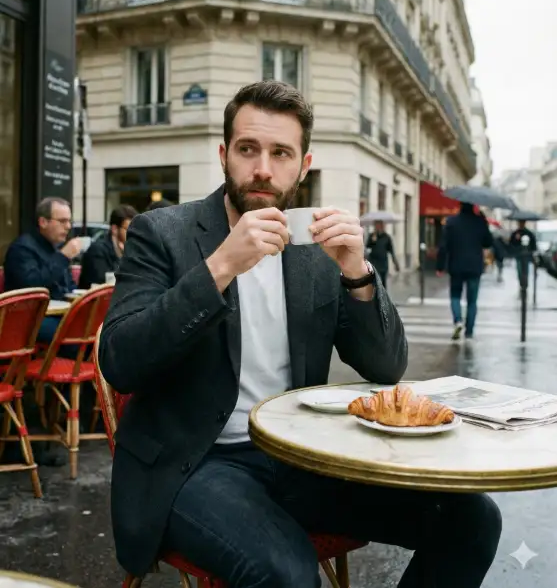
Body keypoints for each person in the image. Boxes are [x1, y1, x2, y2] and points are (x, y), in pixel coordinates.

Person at [100, 80, 501, 588]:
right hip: (196, 463)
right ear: (225, 155)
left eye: (280, 153)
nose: (263, 167)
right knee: (286, 573)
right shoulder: (162, 233)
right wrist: (219, 267)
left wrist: (357, 274)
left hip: (300, 456)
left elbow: (385, 367)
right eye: (248, 149)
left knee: (472, 519)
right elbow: (121, 359)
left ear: (303, 165)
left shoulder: (314, 247)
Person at [4, 197, 83, 343]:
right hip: (26, 318)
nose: (68, 227)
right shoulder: (22, 249)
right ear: (43, 222)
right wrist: (63, 257)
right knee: (76, 335)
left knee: (96, 325)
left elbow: (69, 286)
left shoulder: (56, 247)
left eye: (69, 221)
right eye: (62, 221)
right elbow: (33, 286)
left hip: (56, 314)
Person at [436, 202, 493, 341]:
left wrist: (440, 266)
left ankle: (457, 321)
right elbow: (488, 242)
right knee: (472, 301)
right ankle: (469, 331)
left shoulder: (451, 222)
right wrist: (484, 220)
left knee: (455, 296)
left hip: (456, 266)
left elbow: (444, 246)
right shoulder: (479, 222)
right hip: (474, 267)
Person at [78, 204, 137, 288]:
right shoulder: (97, 250)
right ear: (114, 229)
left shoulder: (133, 250)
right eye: (129, 229)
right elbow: (104, 283)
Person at [365, 221, 400, 290]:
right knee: (373, 281)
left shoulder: (387, 237)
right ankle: (374, 298)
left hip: (383, 263)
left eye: (380, 225)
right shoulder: (372, 236)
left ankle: (383, 298)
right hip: (373, 262)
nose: (378, 227)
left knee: (383, 282)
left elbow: (391, 251)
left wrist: (395, 263)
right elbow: (367, 246)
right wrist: (372, 241)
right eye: (377, 225)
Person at [508, 220, 537, 287]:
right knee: (519, 270)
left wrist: (531, 252)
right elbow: (511, 244)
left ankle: (524, 285)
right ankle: (522, 284)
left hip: (526, 255)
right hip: (518, 255)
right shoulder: (515, 233)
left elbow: (533, 245)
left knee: (525, 271)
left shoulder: (529, 233)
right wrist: (516, 239)